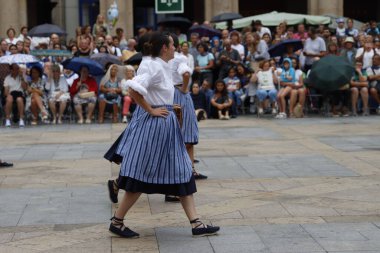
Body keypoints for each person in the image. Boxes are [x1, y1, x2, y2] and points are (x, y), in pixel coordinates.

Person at [106, 32, 219, 238]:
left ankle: (196, 223)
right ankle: (117, 221)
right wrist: (152, 110)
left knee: (182, 169)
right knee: (141, 174)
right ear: (164, 48)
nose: (175, 48)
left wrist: (166, 105)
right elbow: (133, 90)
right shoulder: (153, 65)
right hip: (156, 126)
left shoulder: (162, 65)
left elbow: (154, 91)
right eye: (172, 45)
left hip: (166, 124)